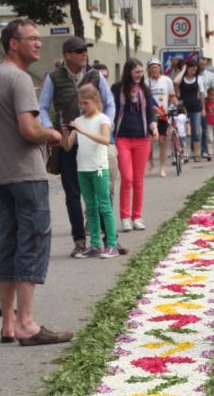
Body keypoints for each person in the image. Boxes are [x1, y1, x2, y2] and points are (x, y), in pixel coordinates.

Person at [0, 17, 72, 346]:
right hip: (26, 175)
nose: (38, 43)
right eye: (31, 38)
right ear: (12, 43)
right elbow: (30, 130)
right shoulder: (17, 79)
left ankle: (8, 322)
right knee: (31, 242)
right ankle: (27, 323)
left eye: (38, 38)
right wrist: (52, 133)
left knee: (9, 244)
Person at [38, 36, 115, 257]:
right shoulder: (54, 78)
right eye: (79, 51)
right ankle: (80, 240)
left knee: (103, 193)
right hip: (68, 143)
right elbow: (42, 106)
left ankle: (107, 239)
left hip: (94, 142)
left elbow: (110, 104)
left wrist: (106, 124)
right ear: (67, 55)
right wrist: (49, 128)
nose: (84, 54)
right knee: (73, 193)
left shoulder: (95, 75)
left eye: (85, 50)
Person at [63, 81, 120, 258]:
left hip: (99, 168)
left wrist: (83, 131)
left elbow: (105, 139)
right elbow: (67, 146)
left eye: (85, 103)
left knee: (104, 206)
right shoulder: (79, 121)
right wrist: (66, 132)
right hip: (83, 169)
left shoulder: (103, 119)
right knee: (90, 207)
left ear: (95, 100)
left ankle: (111, 244)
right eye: (80, 103)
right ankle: (95, 244)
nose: (82, 106)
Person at [111, 58, 158, 230]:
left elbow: (150, 113)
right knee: (127, 179)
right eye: (137, 72)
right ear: (128, 71)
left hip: (142, 138)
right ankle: (125, 218)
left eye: (141, 72)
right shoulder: (117, 89)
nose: (140, 75)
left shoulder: (145, 90)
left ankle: (137, 217)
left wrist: (154, 127)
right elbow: (112, 111)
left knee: (138, 181)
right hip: (122, 139)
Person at [173, 56, 205, 161]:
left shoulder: (198, 78)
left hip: (196, 108)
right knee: (183, 132)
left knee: (196, 132)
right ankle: (184, 154)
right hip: (183, 109)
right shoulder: (182, 78)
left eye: (195, 70)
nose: (193, 71)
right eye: (192, 69)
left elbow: (201, 94)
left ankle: (196, 154)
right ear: (187, 68)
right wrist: (183, 70)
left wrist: (203, 109)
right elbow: (175, 82)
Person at [146, 58, 174, 176]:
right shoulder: (146, 83)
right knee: (149, 141)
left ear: (160, 68)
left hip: (163, 114)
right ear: (149, 69)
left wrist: (178, 105)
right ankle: (150, 162)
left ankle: (162, 167)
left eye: (156, 67)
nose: (154, 69)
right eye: (152, 67)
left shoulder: (166, 80)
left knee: (162, 141)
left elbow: (172, 96)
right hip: (150, 114)